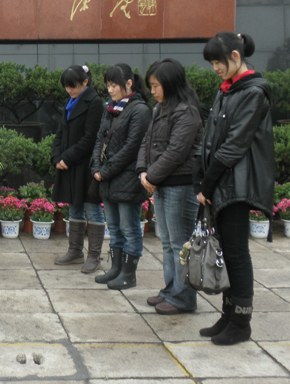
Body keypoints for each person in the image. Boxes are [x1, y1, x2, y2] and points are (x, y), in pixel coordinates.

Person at [194, 32, 274, 345]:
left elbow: (234, 145)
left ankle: (241, 323)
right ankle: (228, 315)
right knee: (225, 252)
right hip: (222, 183)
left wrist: (207, 183)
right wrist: (201, 178)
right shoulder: (228, 89)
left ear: (236, 57)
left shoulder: (253, 92)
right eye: (212, 63)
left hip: (236, 186)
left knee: (237, 254)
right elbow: (210, 138)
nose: (215, 68)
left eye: (218, 62)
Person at [136, 58, 202, 315]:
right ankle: (170, 290)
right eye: (151, 86)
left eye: (156, 85)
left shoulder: (187, 111)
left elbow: (176, 151)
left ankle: (183, 297)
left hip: (180, 185)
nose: (152, 91)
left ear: (171, 83)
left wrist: (151, 177)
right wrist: (143, 171)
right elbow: (147, 142)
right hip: (162, 183)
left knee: (180, 244)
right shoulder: (160, 109)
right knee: (166, 242)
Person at [91, 63, 151, 290]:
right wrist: (95, 167)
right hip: (108, 180)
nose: (110, 90)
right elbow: (99, 139)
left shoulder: (140, 110)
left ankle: (129, 274)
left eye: (114, 85)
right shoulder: (110, 107)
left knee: (129, 228)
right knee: (114, 228)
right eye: (108, 85)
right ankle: (116, 268)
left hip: (127, 180)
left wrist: (104, 171)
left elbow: (131, 148)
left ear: (128, 83)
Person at [52, 64, 106, 273]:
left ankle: (94, 255)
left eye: (73, 86)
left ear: (85, 82)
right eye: (67, 87)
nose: (69, 90)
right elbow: (60, 132)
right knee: (74, 207)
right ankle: (75, 250)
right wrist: (56, 158)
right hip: (69, 166)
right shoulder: (70, 102)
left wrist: (67, 158)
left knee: (92, 209)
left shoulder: (94, 103)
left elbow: (90, 138)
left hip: (85, 165)